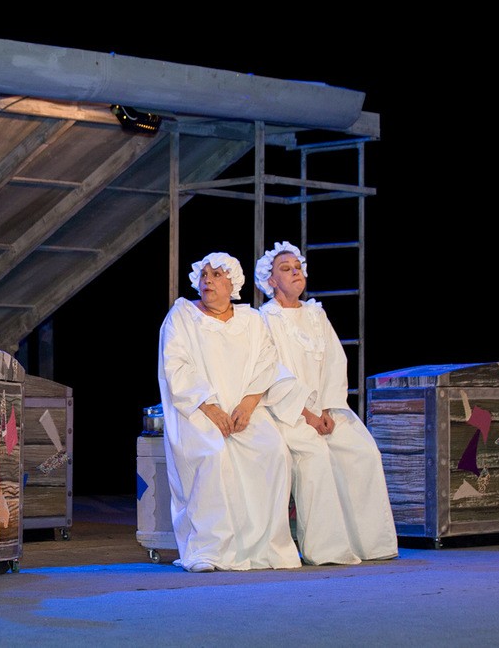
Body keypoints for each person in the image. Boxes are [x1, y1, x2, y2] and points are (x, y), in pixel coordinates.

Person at [157, 252, 308, 572]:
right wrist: (211, 408)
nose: (207, 280)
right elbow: (176, 367)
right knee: (213, 456)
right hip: (199, 411)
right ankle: (209, 549)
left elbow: (266, 363)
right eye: (204, 275)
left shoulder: (250, 320)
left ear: (232, 283)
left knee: (274, 452)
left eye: (216, 275)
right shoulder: (183, 315)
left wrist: (248, 405)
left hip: (244, 411)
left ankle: (265, 547)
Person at [255, 241, 397, 565]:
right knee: (315, 457)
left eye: (298, 267)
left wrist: (330, 407)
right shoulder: (265, 319)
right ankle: (326, 549)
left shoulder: (316, 314)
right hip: (288, 413)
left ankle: (370, 543)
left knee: (362, 451)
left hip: (326, 409)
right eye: (286, 269)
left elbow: (335, 361)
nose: (295, 272)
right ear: (271, 280)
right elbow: (271, 372)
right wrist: (306, 413)